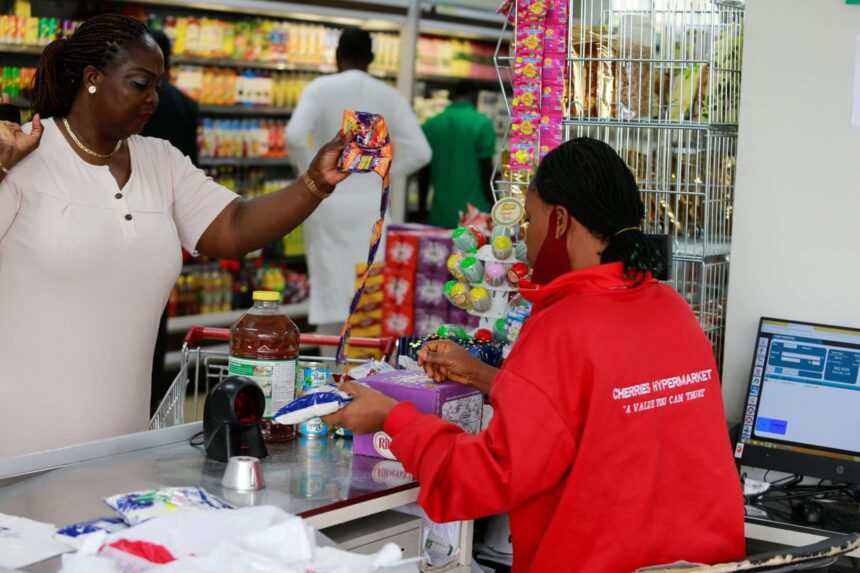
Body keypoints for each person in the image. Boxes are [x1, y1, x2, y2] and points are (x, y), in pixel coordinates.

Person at [323, 138, 746, 572]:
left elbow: (489, 477)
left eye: (529, 218)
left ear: (560, 221)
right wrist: (488, 377)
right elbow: (601, 409)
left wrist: (391, 418)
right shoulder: (671, 307)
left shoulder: (563, 324)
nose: (524, 236)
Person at [0, 14, 353, 457]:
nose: (153, 99)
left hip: (125, 438)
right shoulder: (23, 153)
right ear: (92, 78)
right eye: (139, 83)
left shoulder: (159, 160)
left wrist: (314, 183)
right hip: (18, 441)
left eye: (157, 86)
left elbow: (234, 227)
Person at [286, 28, 431, 340]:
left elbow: (294, 136)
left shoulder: (321, 88)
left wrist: (311, 176)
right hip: (372, 207)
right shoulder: (389, 96)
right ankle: (365, 378)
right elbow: (422, 151)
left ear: (337, 56)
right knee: (370, 295)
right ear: (372, 59)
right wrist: (383, 174)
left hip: (328, 203)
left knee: (330, 293)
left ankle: (330, 374)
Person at [139, 28, 200, 415]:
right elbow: (193, 167)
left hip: (128, 215)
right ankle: (151, 396)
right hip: (166, 222)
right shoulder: (185, 105)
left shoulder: (125, 102)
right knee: (156, 312)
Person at [418, 83, 496, 228]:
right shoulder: (482, 124)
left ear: (451, 98)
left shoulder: (431, 125)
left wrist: (422, 209)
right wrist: (495, 204)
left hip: (441, 214)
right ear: (474, 97)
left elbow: (424, 173)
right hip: (475, 216)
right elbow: (487, 172)